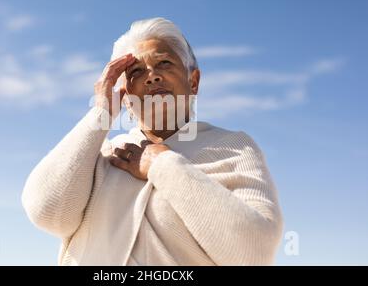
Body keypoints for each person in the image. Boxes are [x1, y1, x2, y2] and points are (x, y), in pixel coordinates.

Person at [21, 17, 284, 265]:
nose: (152, 76)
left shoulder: (234, 147)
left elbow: (255, 253)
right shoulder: (101, 154)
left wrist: (162, 164)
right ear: (123, 93)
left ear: (193, 81)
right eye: (136, 70)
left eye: (165, 64)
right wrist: (100, 115)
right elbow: (46, 212)